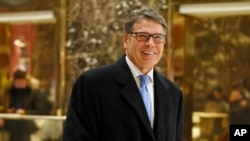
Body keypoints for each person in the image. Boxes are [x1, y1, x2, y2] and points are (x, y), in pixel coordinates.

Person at [62, 7, 183, 141]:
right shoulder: (92, 84)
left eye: (157, 37)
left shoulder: (173, 94)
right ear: (126, 40)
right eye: (142, 36)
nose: (150, 43)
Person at [2, 69, 48, 141]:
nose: (19, 84)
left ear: (26, 81)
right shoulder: (9, 93)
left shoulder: (33, 94)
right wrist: (8, 111)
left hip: (27, 126)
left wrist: (26, 112)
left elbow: (41, 110)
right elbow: (4, 107)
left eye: (21, 82)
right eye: (17, 82)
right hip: (11, 126)